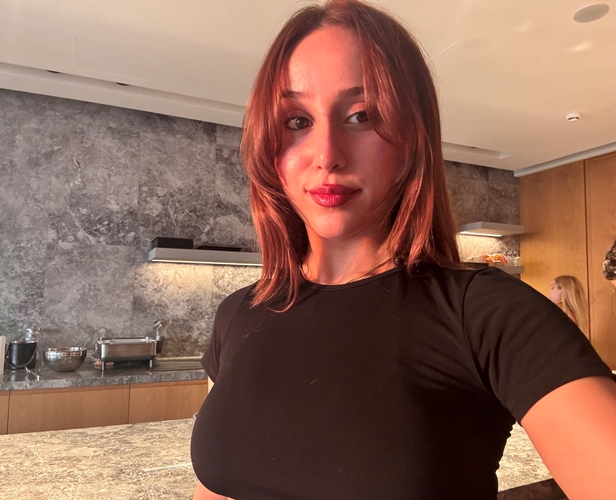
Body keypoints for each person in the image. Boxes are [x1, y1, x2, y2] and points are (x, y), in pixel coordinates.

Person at [190, 1, 616, 499]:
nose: (327, 155)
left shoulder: (486, 315)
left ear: (413, 138)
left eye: (361, 115)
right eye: (297, 121)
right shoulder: (238, 314)